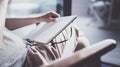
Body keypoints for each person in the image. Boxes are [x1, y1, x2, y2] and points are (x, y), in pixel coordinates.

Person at [0, 0, 89, 67]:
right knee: (72, 28)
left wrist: (38, 18)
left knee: (82, 44)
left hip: (25, 52)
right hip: (29, 61)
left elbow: (3, 24)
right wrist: (2, 3)